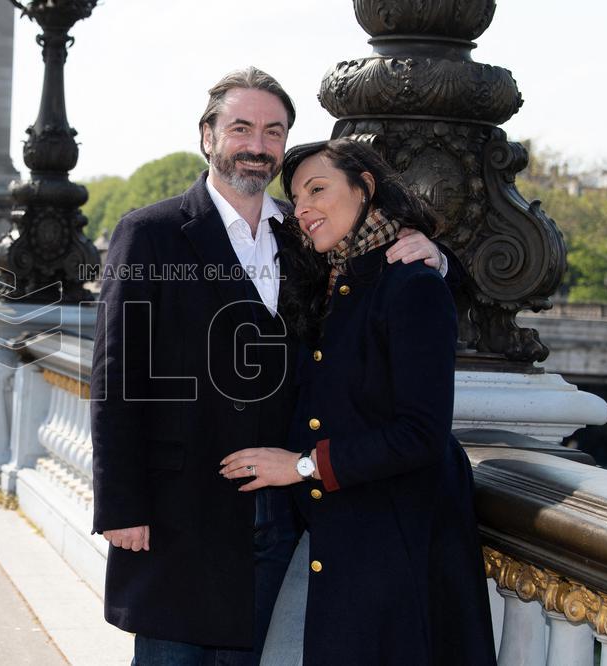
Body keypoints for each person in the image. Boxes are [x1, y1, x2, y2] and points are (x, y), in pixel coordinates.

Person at [90, 67, 447, 664]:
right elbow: (118, 376)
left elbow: (384, 271)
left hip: (279, 514)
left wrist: (438, 254)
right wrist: (122, 507)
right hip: (179, 511)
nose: (258, 145)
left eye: (274, 131)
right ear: (208, 136)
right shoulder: (149, 234)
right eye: (242, 128)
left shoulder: (304, 232)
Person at [220, 138, 495, 664]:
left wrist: (302, 466)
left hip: (396, 549)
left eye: (318, 189)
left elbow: (420, 434)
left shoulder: (411, 284)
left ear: (365, 186)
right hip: (343, 545)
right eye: (297, 197)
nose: (302, 209)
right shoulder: (332, 281)